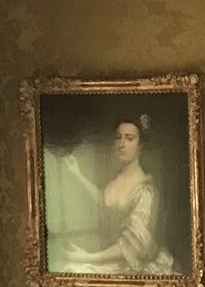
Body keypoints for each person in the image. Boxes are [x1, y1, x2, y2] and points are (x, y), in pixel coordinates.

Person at [54, 116, 178, 274]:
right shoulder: (116, 180)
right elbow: (103, 201)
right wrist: (77, 173)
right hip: (116, 260)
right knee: (67, 269)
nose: (121, 144)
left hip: (138, 266)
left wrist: (87, 257)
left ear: (141, 145)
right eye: (118, 137)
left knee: (73, 269)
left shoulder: (146, 191)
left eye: (129, 138)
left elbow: (131, 246)